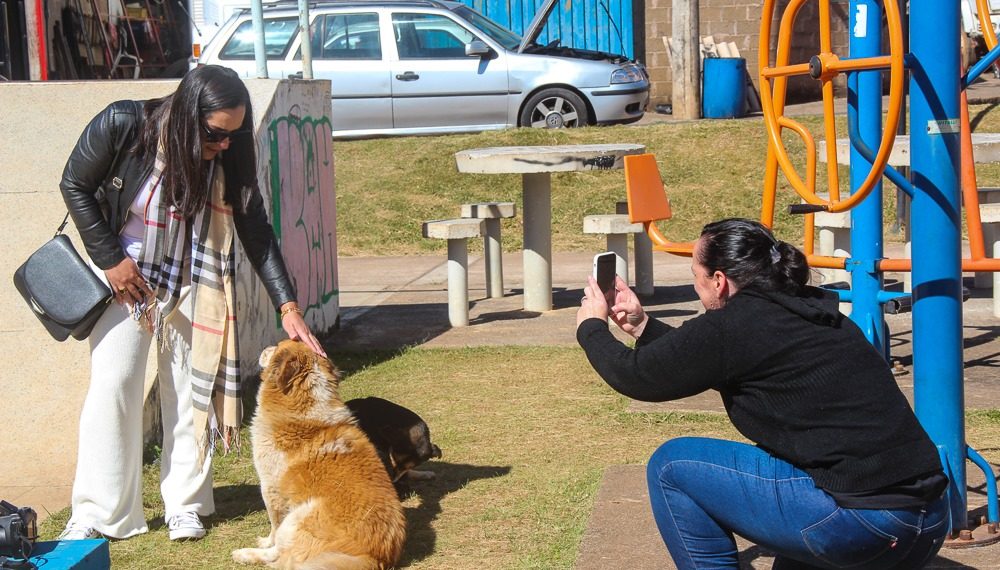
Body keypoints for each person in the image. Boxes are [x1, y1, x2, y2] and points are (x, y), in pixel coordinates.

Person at [576, 218, 950, 569]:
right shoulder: (811, 308)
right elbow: (705, 358)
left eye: (697, 276)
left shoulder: (734, 326)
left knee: (672, 466)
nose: (696, 287)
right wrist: (642, 325)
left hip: (863, 525)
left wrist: (592, 326)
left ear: (719, 280)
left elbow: (636, 376)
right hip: (928, 521)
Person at [57, 65, 327, 542]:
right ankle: (99, 512)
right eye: (215, 133)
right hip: (129, 278)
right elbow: (74, 183)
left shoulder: (229, 144)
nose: (224, 144)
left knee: (189, 391)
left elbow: (254, 224)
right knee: (113, 386)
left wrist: (287, 305)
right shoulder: (123, 124)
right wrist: (111, 259)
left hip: (197, 281)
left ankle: (185, 504)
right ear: (186, 115)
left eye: (233, 134)